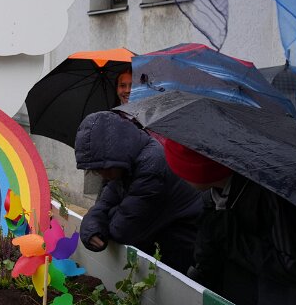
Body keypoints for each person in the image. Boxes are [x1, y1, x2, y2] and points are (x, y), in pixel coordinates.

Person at [162, 138, 296, 305]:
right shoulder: (215, 196)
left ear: (199, 172)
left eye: (181, 171)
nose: (179, 178)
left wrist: (233, 239)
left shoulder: (273, 195)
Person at [74, 111, 202, 273]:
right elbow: (104, 203)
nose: (102, 175)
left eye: (103, 168)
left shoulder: (151, 167)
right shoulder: (123, 164)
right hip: (160, 247)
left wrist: (103, 219)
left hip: (181, 252)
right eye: (97, 170)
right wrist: (92, 225)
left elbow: (122, 230)